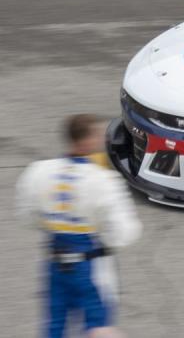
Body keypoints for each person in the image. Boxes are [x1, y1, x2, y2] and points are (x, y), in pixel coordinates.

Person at [16, 114, 143, 338]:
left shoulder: (38, 172)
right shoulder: (103, 181)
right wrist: (105, 239)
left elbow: (26, 215)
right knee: (99, 326)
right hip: (90, 265)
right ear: (88, 141)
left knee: (54, 325)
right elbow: (125, 232)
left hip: (54, 262)